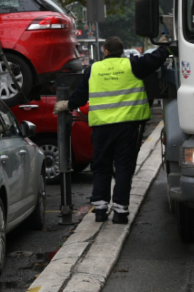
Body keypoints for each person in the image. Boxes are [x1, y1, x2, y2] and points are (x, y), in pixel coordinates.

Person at [54, 36, 169, 224]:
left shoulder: (93, 69)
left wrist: (67, 105)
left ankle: (100, 210)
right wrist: (165, 45)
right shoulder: (132, 65)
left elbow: (80, 96)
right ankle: (120, 212)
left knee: (101, 167)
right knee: (123, 167)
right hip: (127, 127)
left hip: (101, 128)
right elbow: (154, 59)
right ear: (122, 51)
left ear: (105, 51)